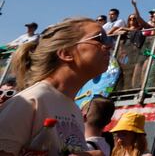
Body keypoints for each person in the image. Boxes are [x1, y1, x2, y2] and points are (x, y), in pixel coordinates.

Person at [0, 17, 111, 155]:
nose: (109, 45)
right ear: (66, 53)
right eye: (100, 38)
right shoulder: (30, 101)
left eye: (109, 39)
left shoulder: (75, 111)